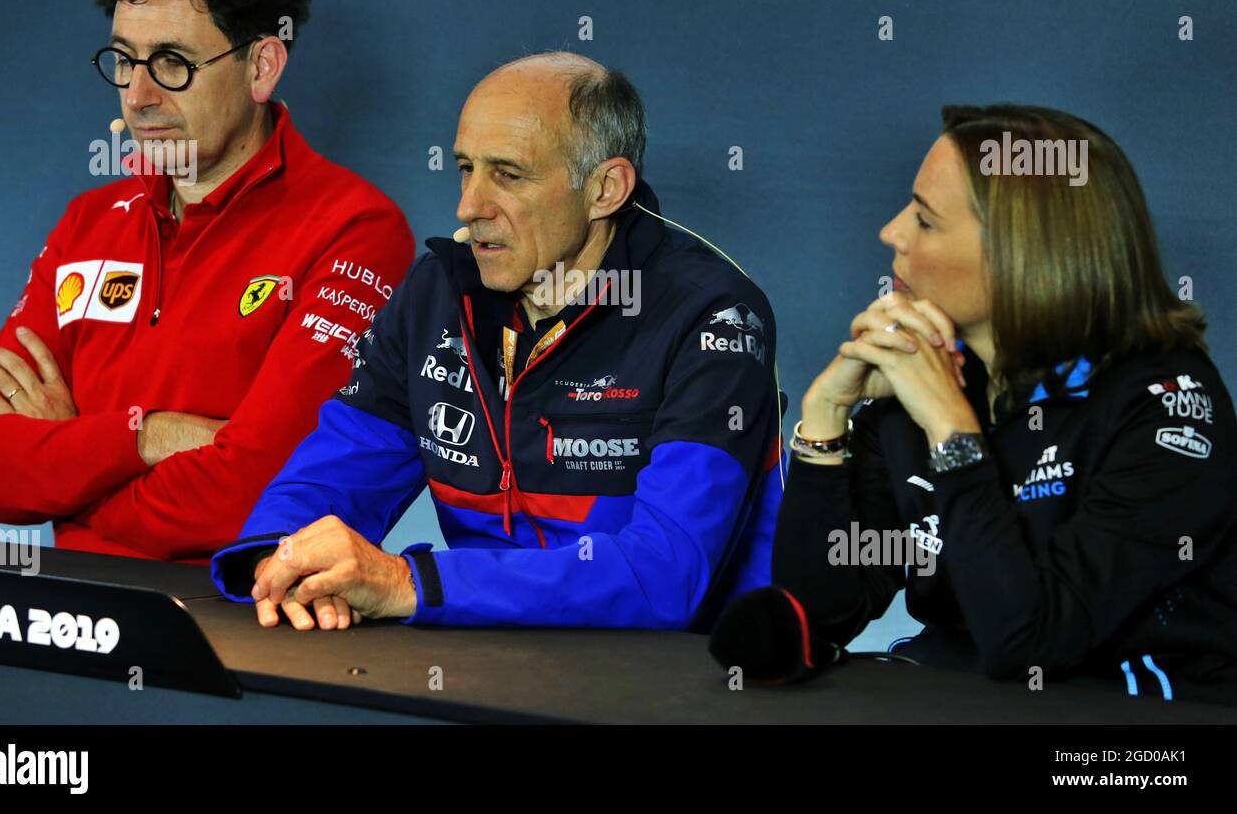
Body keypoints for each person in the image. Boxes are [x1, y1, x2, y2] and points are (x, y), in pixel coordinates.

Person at [211, 52, 783, 631]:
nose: (469, 206)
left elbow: (664, 577)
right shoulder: (437, 291)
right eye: (466, 168)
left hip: (669, 685)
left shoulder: (713, 316)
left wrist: (408, 584)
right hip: (482, 659)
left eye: (507, 175)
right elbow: (334, 472)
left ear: (605, 188)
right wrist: (283, 561)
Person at [0, 0, 414, 562]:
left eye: (171, 62)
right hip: (72, 629)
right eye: (123, 60)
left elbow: (256, 496)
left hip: (243, 635)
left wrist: (71, 464)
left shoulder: (355, 229)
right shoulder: (89, 222)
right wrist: (146, 435)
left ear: (261, 67)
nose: (136, 96)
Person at [773, 103, 1237, 704]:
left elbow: (1031, 642)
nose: (891, 232)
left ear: (1022, 255)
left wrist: (951, 430)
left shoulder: (1166, 407)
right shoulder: (929, 379)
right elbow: (819, 613)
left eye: (925, 219)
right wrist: (826, 422)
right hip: (960, 698)